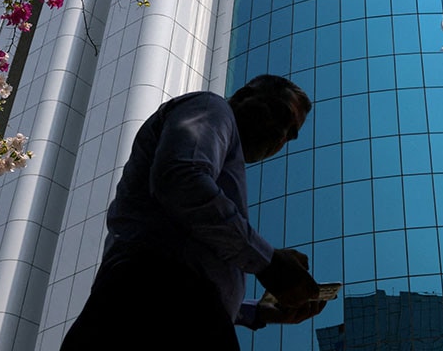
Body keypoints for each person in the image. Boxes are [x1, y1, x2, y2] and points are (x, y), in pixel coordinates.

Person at [60, 74, 326, 350]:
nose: (281, 134)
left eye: (290, 134)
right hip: (156, 297)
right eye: (280, 114)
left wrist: (257, 312)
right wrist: (269, 262)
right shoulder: (212, 107)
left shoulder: (220, 150)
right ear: (246, 95)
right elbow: (181, 180)